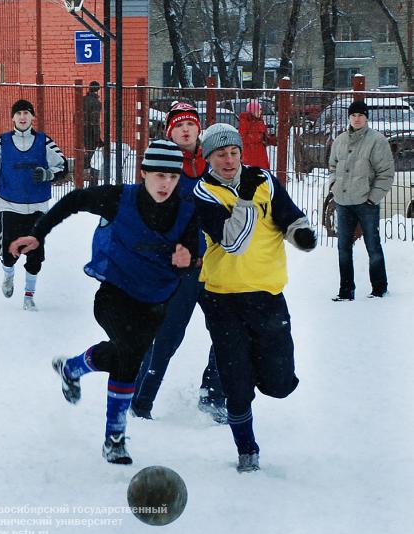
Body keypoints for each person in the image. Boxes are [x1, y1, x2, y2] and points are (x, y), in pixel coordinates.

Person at [9, 140, 199, 465]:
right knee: (128, 354)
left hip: (155, 304)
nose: (165, 183)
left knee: (126, 357)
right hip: (114, 295)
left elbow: (194, 251)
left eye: (172, 176)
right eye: (158, 175)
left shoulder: (185, 211)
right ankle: (115, 439)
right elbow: (74, 200)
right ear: (143, 173)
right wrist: (38, 233)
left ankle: (72, 367)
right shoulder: (119, 198)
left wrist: (190, 257)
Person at [193, 123, 317, 473]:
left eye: (233, 152)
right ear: (209, 159)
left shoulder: (263, 180)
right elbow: (233, 242)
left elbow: (288, 216)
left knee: (280, 384)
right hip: (223, 299)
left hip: (267, 296)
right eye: (221, 155)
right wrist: (245, 200)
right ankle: (246, 449)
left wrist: (300, 234)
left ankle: (258, 373)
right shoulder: (203, 194)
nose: (229, 160)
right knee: (236, 382)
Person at [130, 102, 226, 423]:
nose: (186, 130)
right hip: (180, 269)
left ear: (200, 129)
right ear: (170, 133)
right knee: (167, 337)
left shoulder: (216, 162)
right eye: (179, 126)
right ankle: (141, 402)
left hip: (216, 267)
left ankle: (213, 396)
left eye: (191, 125)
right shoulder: (163, 166)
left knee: (228, 333)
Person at [0, 99, 68, 310]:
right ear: (12, 118)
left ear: (33, 117)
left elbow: (62, 165)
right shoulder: (2, 142)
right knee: (9, 254)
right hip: (10, 206)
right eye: (18, 113)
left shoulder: (44, 142)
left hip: (38, 208)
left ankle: (29, 296)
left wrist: (48, 173)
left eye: (27, 113)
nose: (23, 116)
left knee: (36, 255)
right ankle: (8, 275)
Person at [328, 100, 394, 301]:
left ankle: (379, 288)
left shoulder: (377, 141)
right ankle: (346, 290)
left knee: (372, 245)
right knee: (343, 248)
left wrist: (372, 198)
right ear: (349, 117)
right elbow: (332, 166)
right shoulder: (339, 140)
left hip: (366, 202)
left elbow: (386, 173)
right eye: (353, 115)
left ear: (366, 118)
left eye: (361, 115)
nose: (357, 119)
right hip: (343, 201)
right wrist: (334, 186)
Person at [238, 100, 277, 169]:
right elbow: (242, 138)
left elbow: (264, 136)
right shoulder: (245, 121)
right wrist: (258, 137)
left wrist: (273, 140)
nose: (260, 111)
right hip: (250, 154)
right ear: (253, 111)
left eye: (260, 110)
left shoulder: (260, 121)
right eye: (258, 109)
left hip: (260, 154)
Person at [83, 80, 102, 186]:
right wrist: (98, 138)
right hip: (91, 132)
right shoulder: (96, 103)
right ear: (98, 90)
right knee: (95, 158)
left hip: (81, 131)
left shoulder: (82, 100)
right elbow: (95, 122)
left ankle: (79, 172)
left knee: (88, 155)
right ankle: (93, 183)